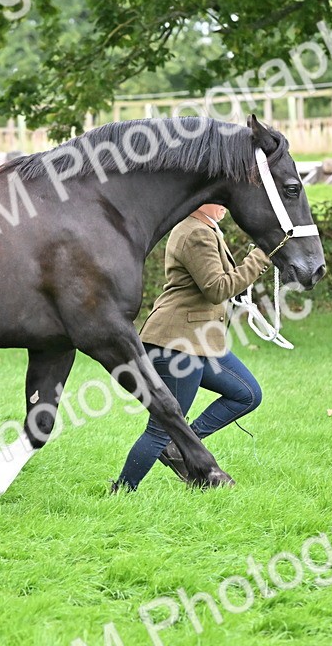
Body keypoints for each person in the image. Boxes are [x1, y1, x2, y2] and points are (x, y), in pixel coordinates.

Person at [113, 203, 269, 492]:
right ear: (200, 200)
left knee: (247, 393)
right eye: (217, 199)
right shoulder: (194, 233)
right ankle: (121, 492)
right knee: (162, 427)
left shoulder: (206, 228)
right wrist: (259, 257)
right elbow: (217, 289)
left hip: (199, 341)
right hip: (177, 342)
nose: (225, 205)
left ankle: (181, 445)